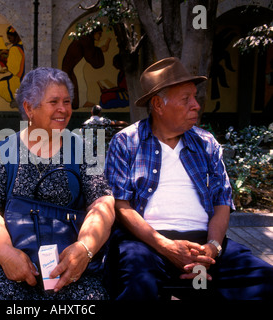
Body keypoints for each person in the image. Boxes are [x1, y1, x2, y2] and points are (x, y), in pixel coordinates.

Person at [105, 57, 273, 300]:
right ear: (158, 105)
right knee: (137, 282)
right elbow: (121, 206)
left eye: (194, 97)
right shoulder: (127, 142)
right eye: (186, 99)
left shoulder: (206, 143)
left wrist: (212, 249)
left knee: (265, 280)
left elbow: (222, 203)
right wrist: (166, 247)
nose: (195, 105)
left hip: (205, 242)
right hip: (147, 242)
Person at [0, 67, 115, 299]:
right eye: (54, 102)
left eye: (67, 101)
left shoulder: (82, 149)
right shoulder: (6, 150)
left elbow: (102, 203)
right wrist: (5, 253)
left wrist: (84, 249)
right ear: (29, 108)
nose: (63, 109)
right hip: (17, 265)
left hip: (69, 266)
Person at [0, 26, 25, 108]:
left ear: (16, 36)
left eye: (10, 37)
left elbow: (13, 69)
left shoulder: (14, 49)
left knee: (1, 85)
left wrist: (4, 59)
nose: (9, 40)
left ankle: (15, 101)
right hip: (26, 78)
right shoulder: (24, 46)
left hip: (18, 79)